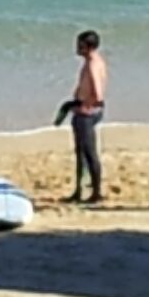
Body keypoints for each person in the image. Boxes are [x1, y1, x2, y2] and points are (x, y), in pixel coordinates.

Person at [54, 29, 109, 205]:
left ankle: (96, 192)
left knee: (88, 152)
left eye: (80, 45)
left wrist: (86, 106)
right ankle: (79, 190)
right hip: (85, 109)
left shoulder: (93, 64)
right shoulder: (96, 61)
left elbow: (98, 93)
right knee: (81, 152)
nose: (77, 48)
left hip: (87, 113)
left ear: (87, 47)